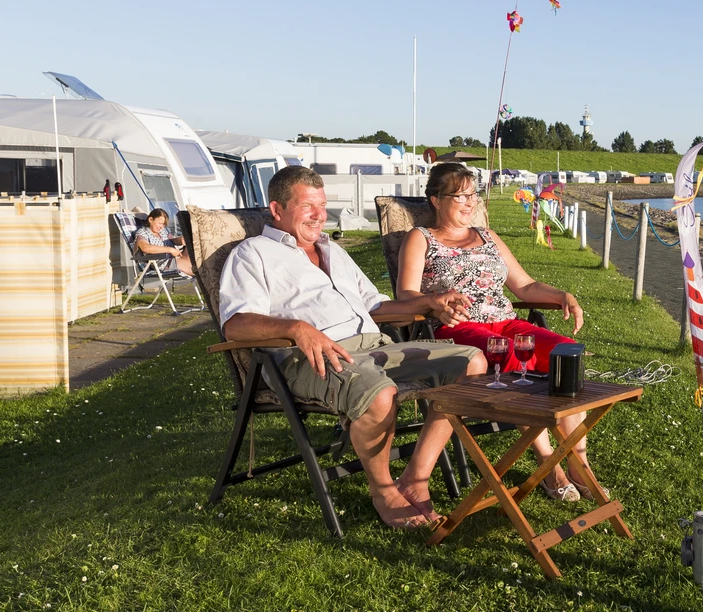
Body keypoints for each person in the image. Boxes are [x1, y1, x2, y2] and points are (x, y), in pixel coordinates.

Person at [219, 165, 488, 529]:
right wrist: (298, 329)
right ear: (277, 209)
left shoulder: (332, 249)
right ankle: (383, 492)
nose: (319, 215)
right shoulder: (253, 254)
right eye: (307, 206)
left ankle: (415, 478)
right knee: (379, 395)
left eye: (323, 204)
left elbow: (375, 306)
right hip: (312, 357)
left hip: (375, 345)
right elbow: (235, 323)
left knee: (471, 362)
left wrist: (429, 303)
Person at [397, 162, 599, 503]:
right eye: (459, 195)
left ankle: (579, 461)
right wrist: (434, 300)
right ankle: (550, 465)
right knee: (508, 353)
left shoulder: (488, 236)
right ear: (435, 199)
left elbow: (525, 286)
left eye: (473, 194)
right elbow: (406, 294)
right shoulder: (421, 239)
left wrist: (562, 296)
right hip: (458, 329)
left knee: (566, 353)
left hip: (505, 320)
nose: (469, 202)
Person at [135, 209, 193, 277]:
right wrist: (170, 250)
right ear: (150, 220)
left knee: (193, 243)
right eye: (160, 223)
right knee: (197, 270)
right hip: (164, 264)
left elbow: (173, 239)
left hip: (176, 257)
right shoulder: (143, 232)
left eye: (163, 225)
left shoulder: (162, 232)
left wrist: (180, 240)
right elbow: (145, 247)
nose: (161, 227)